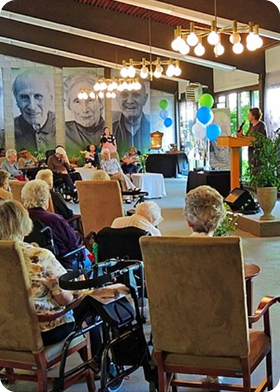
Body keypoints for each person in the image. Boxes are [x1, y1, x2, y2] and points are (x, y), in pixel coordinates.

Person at [0, 199, 75, 345]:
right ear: (23, 223)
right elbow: (64, 299)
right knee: (87, 306)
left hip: (4, 331)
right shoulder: (39, 256)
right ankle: (97, 363)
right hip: (43, 330)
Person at [21, 180, 91, 268]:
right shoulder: (54, 219)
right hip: (59, 264)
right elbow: (74, 244)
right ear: (46, 198)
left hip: (31, 263)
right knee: (89, 257)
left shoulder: (21, 218)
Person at [12, 69, 56, 153]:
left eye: (38, 96)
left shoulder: (65, 128)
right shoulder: (7, 132)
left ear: (50, 98)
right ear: (16, 101)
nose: (32, 106)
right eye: (24, 97)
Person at [64, 71, 105, 156]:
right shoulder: (65, 132)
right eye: (77, 101)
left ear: (101, 102)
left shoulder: (112, 130)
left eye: (90, 100)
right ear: (69, 106)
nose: (84, 109)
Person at [113, 81, 150, 156]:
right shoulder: (112, 131)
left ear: (145, 99)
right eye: (124, 95)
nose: (130, 101)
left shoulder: (151, 129)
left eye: (136, 95)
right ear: (117, 98)